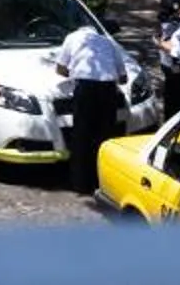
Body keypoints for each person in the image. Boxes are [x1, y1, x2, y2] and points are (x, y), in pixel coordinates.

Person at [50, 14, 132, 196]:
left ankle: (81, 184)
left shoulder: (72, 38)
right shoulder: (108, 42)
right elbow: (124, 77)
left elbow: (60, 69)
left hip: (85, 90)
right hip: (108, 92)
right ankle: (104, 183)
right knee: (105, 137)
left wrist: (75, 71)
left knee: (82, 136)